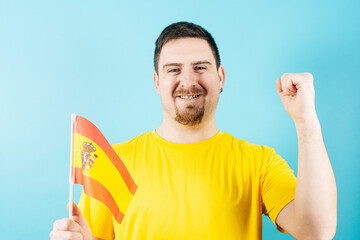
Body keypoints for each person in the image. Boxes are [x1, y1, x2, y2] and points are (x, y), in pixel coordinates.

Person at [50, 22, 337, 240]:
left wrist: (305, 120)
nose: (188, 81)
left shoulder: (260, 163)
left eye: (200, 67)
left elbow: (317, 231)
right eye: (173, 70)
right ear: (156, 81)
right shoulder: (113, 163)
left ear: (220, 77)